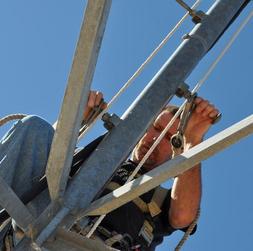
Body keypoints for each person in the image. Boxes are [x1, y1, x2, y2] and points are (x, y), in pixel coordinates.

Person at [0, 91, 219, 250]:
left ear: (175, 152)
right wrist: (74, 121)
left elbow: (182, 216)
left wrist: (192, 142)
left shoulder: (161, 198)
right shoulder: (91, 157)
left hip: (90, 243)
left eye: (168, 139)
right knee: (35, 126)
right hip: (38, 217)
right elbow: (34, 161)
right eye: (156, 128)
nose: (154, 138)